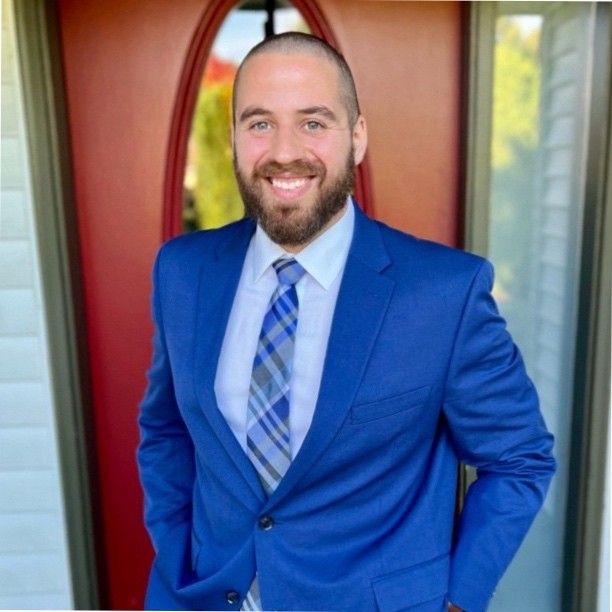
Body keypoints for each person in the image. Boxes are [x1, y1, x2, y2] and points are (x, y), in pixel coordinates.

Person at [137, 32, 555, 612]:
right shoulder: (182, 272)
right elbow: (167, 429)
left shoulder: (444, 293)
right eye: (260, 123)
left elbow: (519, 458)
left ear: (357, 137)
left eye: (313, 122)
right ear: (233, 138)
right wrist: (175, 548)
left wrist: (459, 601)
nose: (284, 151)